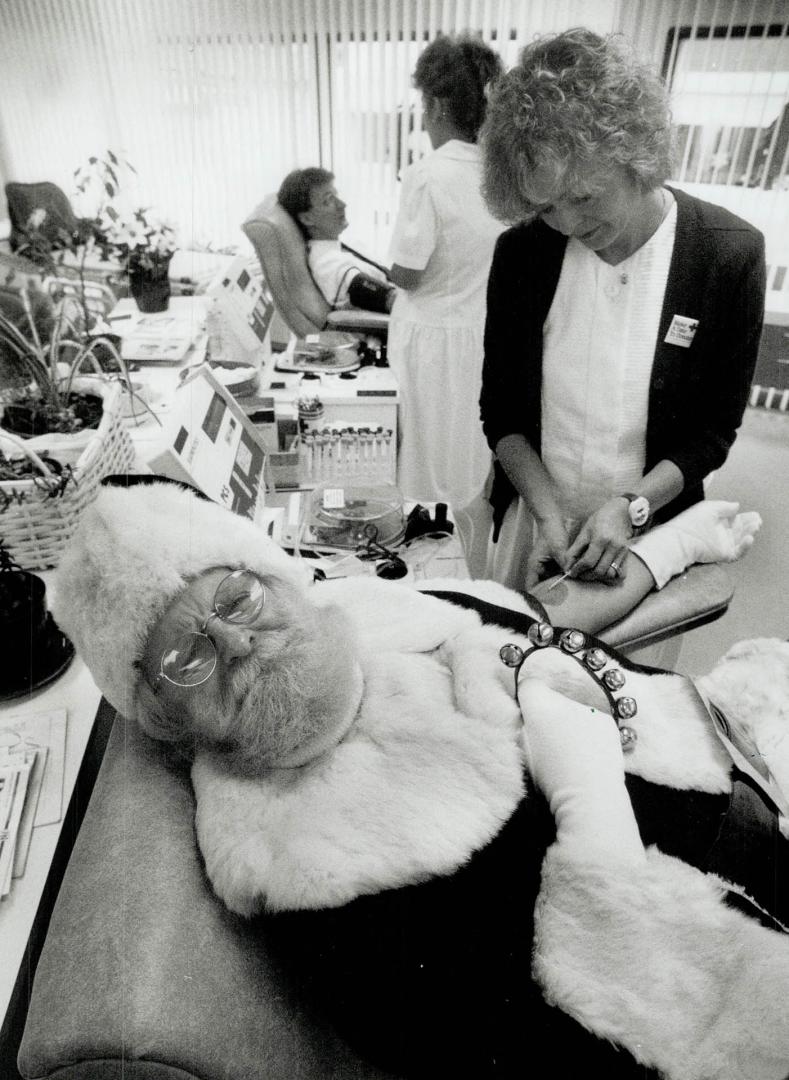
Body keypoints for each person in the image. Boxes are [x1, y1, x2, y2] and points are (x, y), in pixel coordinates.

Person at [52, 477, 789, 1080]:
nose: (238, 642)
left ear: (279, 578)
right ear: (168, 718)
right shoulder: (319, 878)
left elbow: (535, 615)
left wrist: (666, 551)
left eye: (235, 599)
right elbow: (553, 1049)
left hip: (735, 739)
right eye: (188, 658)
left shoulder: (363, 610)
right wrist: (597, 830)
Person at [478, 29, 767, 594]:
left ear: (637, 157)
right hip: (540, 521)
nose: (566, 223)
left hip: (655, 527)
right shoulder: (523, 253)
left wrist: (631, 507)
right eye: (544, 204)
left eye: (584, 196)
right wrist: (547, 515)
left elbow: (714, 431)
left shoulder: (726, 253)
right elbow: (503, 413)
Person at [387, 33, 505, 578]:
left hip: (431, 336)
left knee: (423, 464)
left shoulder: (428, 173)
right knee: (468, 460)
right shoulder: (504, 173)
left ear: (435, 104)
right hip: (482, 334)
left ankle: (426, 575)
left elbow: (406, 273)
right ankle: (469, 570)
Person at [277, 167, 397, 314]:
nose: (342, 204)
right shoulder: (327, 263)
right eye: (328, 201)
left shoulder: (345, 245)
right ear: (307, 218)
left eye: (336, 196)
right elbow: (391, 300)